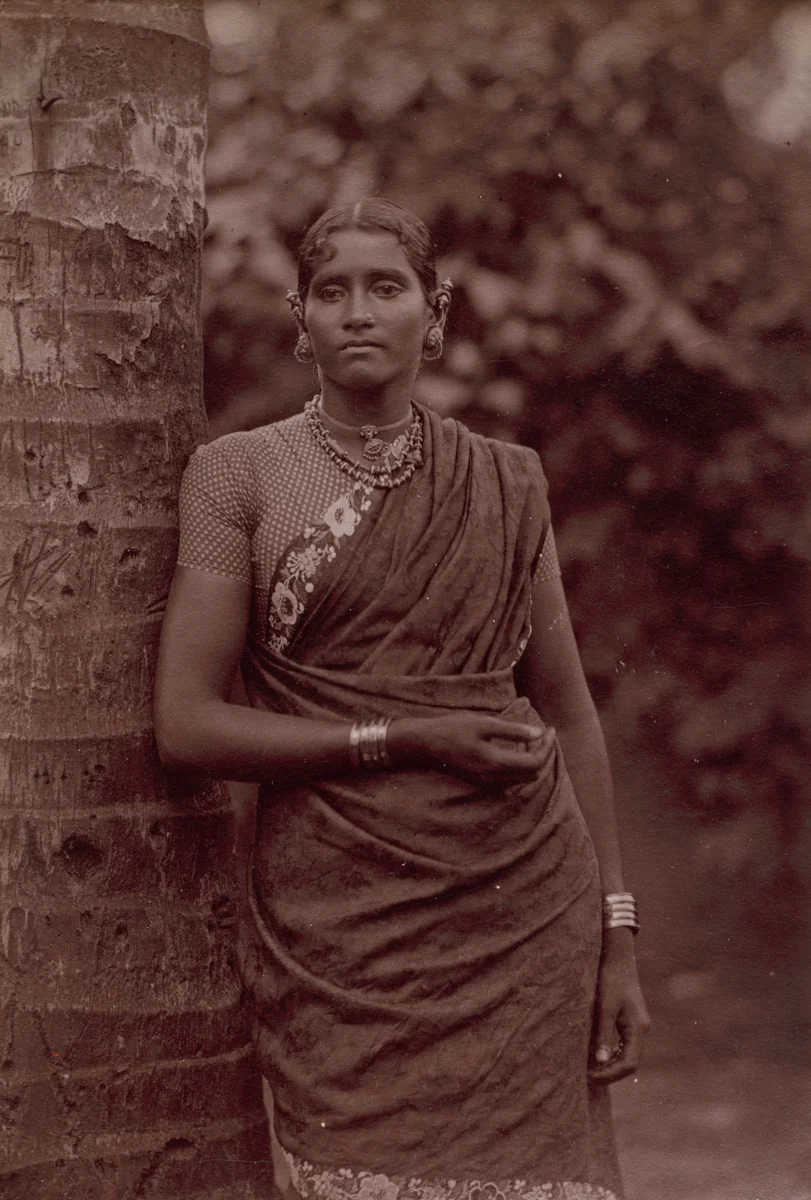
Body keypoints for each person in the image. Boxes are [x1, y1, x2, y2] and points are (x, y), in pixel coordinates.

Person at [154, 198, 649, 1200]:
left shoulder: (506, 483)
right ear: (300, 317)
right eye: (331, 291)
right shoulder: (239, 476)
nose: (358, 311)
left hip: (519, 912)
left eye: (386, 286)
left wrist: (617, 940)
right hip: (344, 936)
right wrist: (399, 737)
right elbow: (187, 723)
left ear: (436, 311)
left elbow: (567, 714)